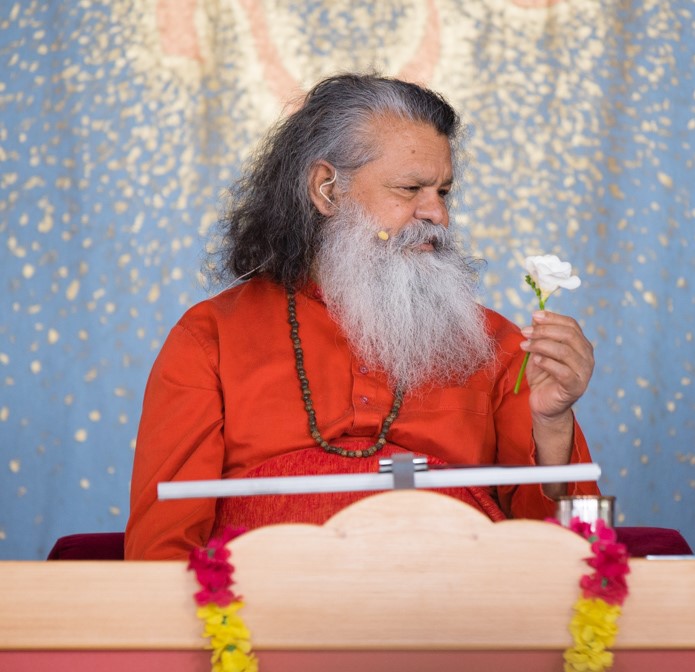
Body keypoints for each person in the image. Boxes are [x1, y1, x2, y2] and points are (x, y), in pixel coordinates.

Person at [124, 73, 600, 560]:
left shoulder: (496, 343)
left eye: (444, 192)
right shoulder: (211, 337)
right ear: (326, 189)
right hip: (264, 621)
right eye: (410, 188)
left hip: (452, 618)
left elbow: (571, 555)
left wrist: (553, 423)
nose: (437, 214)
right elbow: (162, 549)